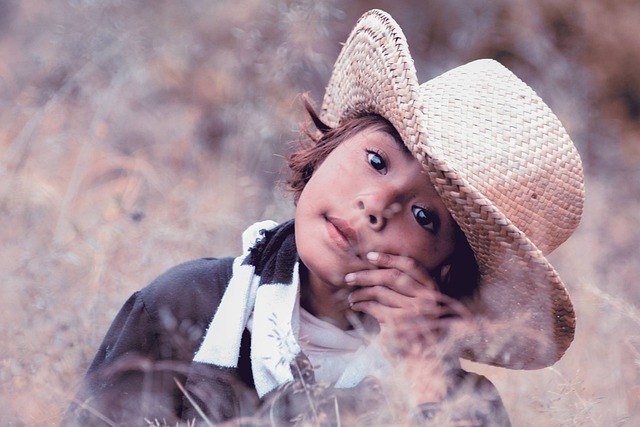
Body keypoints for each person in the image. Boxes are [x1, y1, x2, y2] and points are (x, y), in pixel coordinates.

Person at [63, 9, 585, 427]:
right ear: (333, 145)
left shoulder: (466, 405)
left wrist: (426, 386)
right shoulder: (188, 307)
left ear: (446, 273)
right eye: (377, 161)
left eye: (425, 216)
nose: (377, 206)